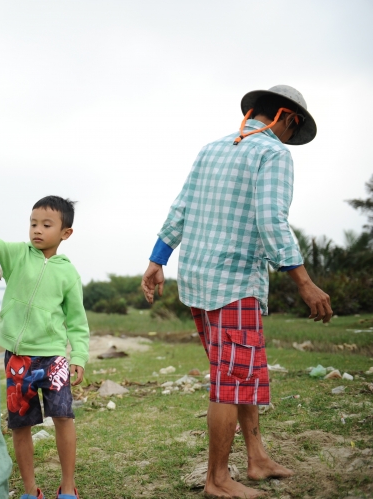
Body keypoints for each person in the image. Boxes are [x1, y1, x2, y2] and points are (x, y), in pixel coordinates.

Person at [141, 85, 333, 499]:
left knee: (238, 372)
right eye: (291, 130)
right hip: (234, 282)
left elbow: (180, 208)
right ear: (288, 118)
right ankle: (218, 480)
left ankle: (258, 457)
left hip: (196, 280)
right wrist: (303, 281)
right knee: (230, 381)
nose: (288, 139)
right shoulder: (274, 154)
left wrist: (158, 261)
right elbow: (271, 219)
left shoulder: (211, 149)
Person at [0, 196, 89, 499]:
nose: (37, 230)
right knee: (21, 425)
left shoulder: (68, 273)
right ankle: (31, 490)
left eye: (47, 225)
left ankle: (68, 487)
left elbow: (77, 321)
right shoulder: (19, 255)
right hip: (18, 358)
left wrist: (79, 356)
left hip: (55, 357)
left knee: (64, 418)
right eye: (33, 223)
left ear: (65, 233)